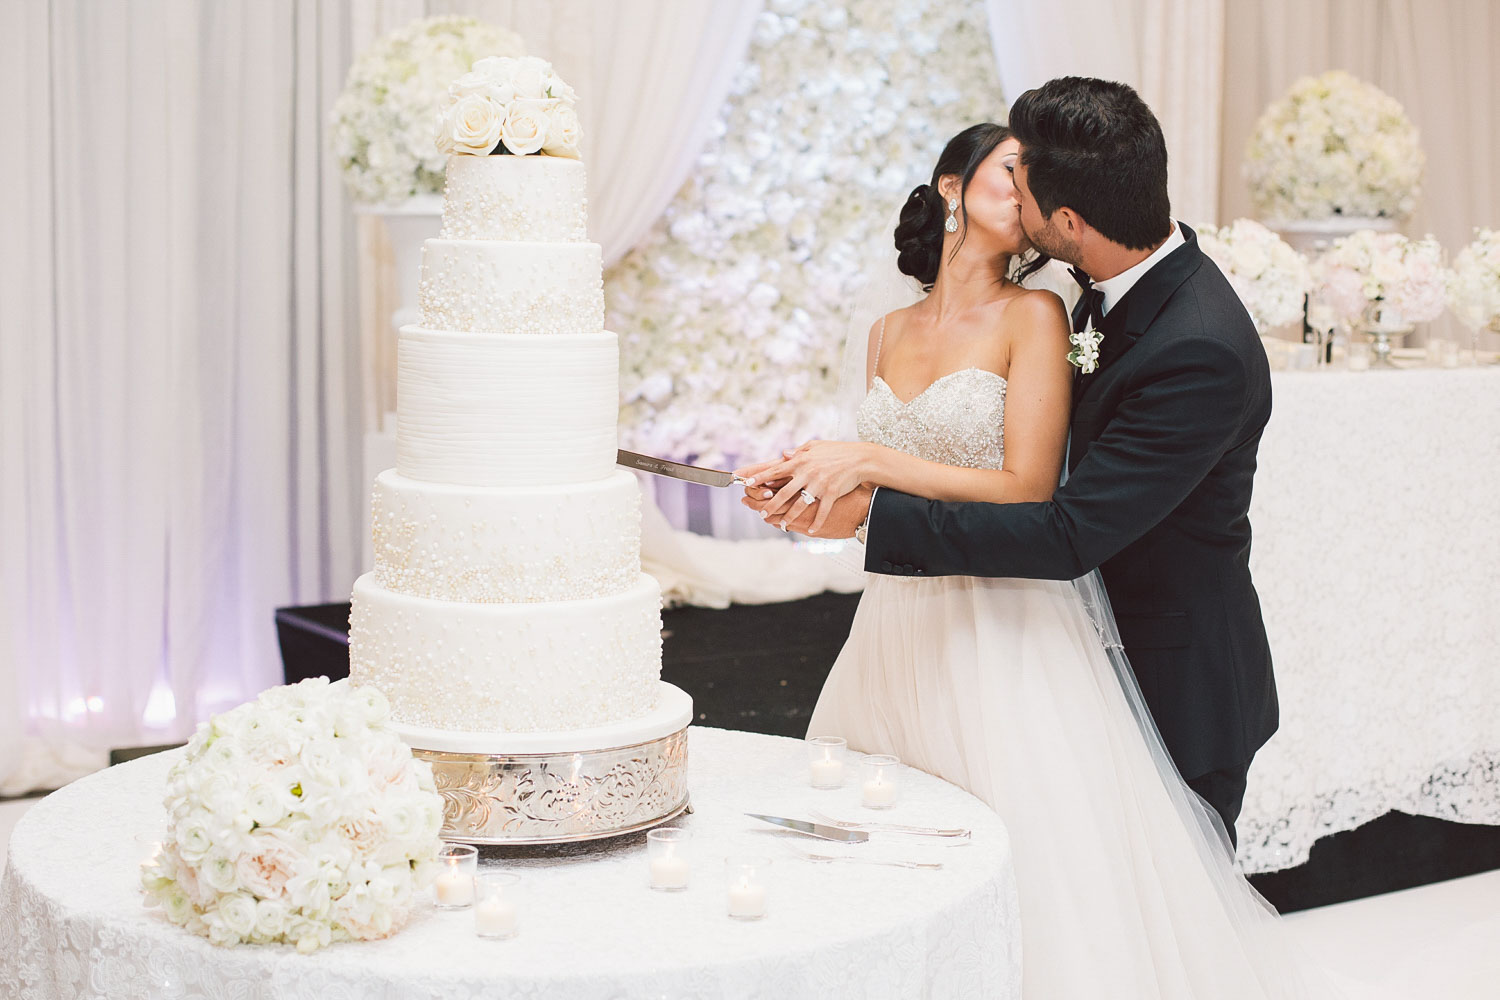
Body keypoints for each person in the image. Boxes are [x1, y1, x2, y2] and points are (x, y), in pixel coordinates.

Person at [736, 80, 1335, 998]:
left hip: (1155, 662)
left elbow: (1059, 525)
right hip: (936, 620)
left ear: (1065, 218)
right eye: (1000, 174)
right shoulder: (1097, 292)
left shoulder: (1189, 341)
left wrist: (868, 500)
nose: (1014, 200)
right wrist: (830, 484)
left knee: (1130, 918)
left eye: (1026, 185)